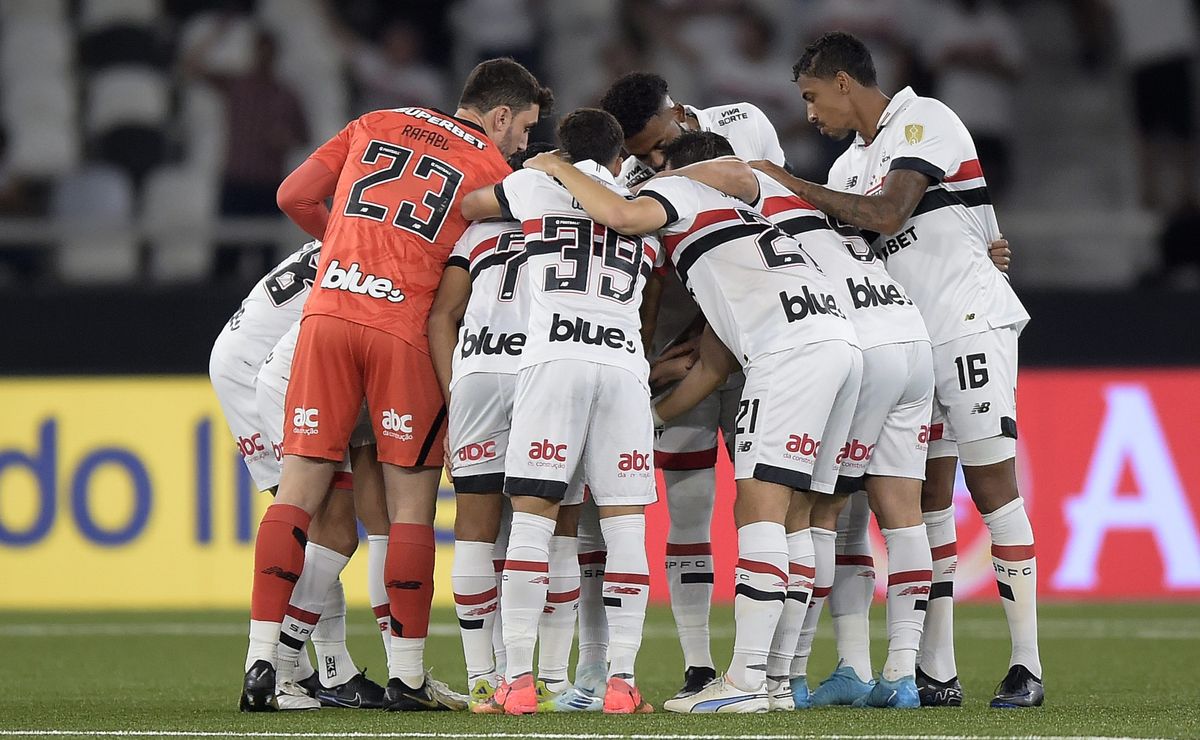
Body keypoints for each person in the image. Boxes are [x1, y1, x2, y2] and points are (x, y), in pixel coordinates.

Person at [239, 57, 551, 713]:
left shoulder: (374, 122)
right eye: (523, 129)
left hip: (328, 316)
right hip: (403, 330)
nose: (522, 145)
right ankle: (407, 679)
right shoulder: (495, 172)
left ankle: (261, 662)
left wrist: (347, 249)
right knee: (410, 508)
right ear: (499, 116)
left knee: (296, 494)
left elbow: (293, 196)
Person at [524, 135, 863, 713]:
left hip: (788, 356)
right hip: (839, 346)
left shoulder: (682, 192)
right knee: (798, 517)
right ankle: (779, 682)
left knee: (758, 510)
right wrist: (651, 415)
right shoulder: (744, 224)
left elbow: (620, 216)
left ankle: (744, 682)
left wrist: (556, 166)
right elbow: (713, 362)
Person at [754, 31, 1042, 708]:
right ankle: (937, 670)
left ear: (844, 82)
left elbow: (889, 212)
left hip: (968, 324)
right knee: (929, 502)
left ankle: (1026, 665)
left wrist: (789, 184)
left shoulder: (925, 118)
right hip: (912, 343)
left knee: (994, 487)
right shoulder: (848, 166)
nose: (811, 113)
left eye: (813, 96)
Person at [460, 109, 660, 715]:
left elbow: (470, 206)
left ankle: (519, 682)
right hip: (623, 364)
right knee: (625, 527)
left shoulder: (532, 184)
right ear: (620, 154)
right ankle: (622, 683)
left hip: (555, 360)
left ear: (564, 152)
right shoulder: (645, 202)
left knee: (532, 520)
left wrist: (540, 171)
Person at [599, 69, 787, 700]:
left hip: (757, 346)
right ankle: (700, 665)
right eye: (641, 155)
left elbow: (776, 225)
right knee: (687, 510)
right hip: (680, 356)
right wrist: (644, 355)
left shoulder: (746, 124)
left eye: (659, 146)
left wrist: (712, 333)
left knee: (773, 504)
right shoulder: (632, 180)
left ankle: (776, 671)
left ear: (678, 112)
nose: (653, 163)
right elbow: (648, 277)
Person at [427, 142, 602, 712]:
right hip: (543, 371)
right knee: (557, 528)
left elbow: (442, 315)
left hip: (478, 372)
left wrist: (454, 394)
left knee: (475, 532)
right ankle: (549, 680)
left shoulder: (477, 233)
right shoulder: (579, 226)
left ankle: (483, 678)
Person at [210, 241, 386, 710]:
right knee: (331, 527)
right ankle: (284, 665)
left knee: (316, 528)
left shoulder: (360, 224)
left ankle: (324, 668)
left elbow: (296, 203)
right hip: (267, 369)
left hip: (247, 354)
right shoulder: (399, 244)